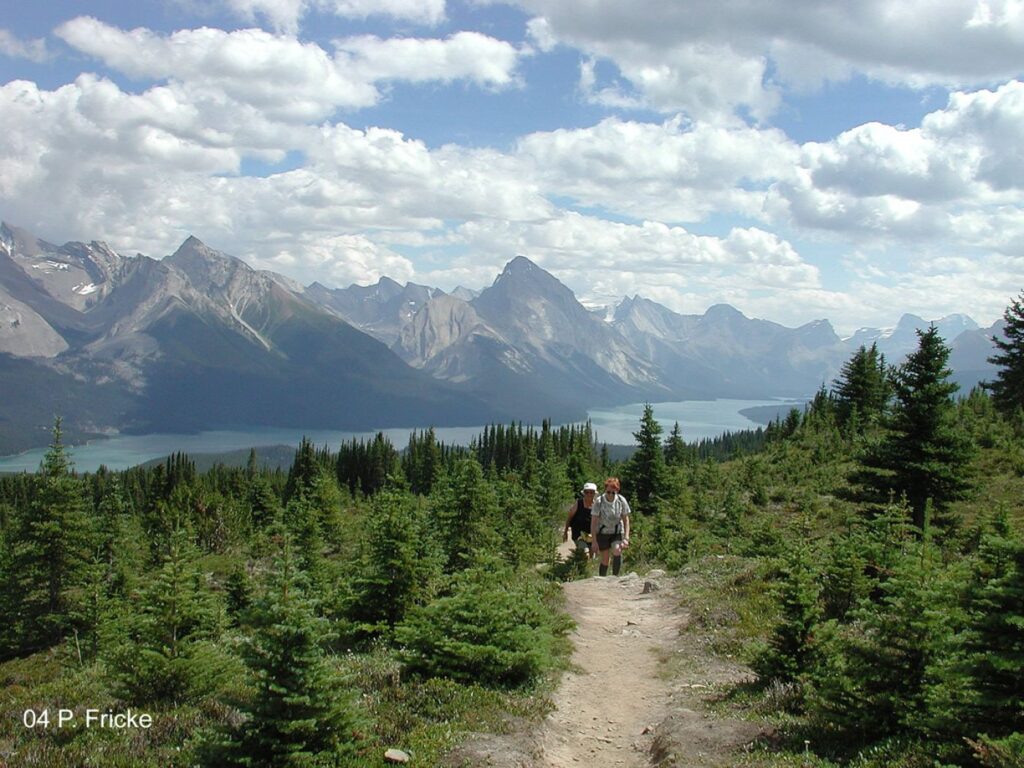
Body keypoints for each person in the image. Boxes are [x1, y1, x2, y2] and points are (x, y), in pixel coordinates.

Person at [589, 477, 631, 576]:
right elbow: (594, 522)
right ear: (605, 490)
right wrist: (594, 541)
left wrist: (626, 537)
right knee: (605, 559)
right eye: (608, 492)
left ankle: (615, 577)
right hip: (603, 532)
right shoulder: (599, 502)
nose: (611, 494)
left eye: (613, 492)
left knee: (617, 550)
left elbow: (626, 519)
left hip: (616, 531)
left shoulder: (621, 500)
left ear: (617, 491)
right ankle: (602, 580)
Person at [563, 482, 597, 554]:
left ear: (594, 494)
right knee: (585, 552)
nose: (589, 494)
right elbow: (569, 517)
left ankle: (579, 562)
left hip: (591, 536)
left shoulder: (596, 506)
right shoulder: (578, 504)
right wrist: (565, 532)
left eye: (591, 492)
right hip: (578, 534)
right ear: (584, 493)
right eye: (586, 492)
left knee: (592, 554)